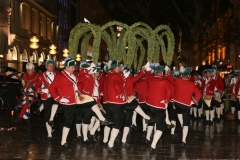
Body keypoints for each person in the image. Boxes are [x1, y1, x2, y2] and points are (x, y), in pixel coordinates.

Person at [49, 57, 78, 151]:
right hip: (67, 102)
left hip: (74, 101)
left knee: (70, 122)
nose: (74, 69)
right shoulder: (60, 77)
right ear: (67, 67)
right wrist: (59, 98)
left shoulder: (73, 75)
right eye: (72, 67)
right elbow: (51, 88)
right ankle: (63, 142)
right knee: (68, 122)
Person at [3, 62, 39, 136]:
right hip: (25, 95)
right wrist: (3, 72)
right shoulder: (23, 75)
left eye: (31, 69)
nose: (29, 71)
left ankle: (19, 116)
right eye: (28, 70)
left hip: (33, 94)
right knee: (26, 113)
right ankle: (30, 129)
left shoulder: (38, 76)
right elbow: (13, 75)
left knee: (27, 101)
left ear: (33, 69)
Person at [172, 66, 201, 147]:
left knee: (179, 111)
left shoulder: (177, 81)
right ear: (188, 76)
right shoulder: (191, 84)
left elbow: (170, 78)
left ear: (181, 76)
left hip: (177, 103)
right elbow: (198, 94)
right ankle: (183, 140)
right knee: (186, 124)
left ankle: (181, 123)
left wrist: (167, 71)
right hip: (186, 105)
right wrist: (193, 102)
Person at [145, 64, 172, 153]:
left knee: (151, 122)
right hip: (159, 107)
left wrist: (148, 69)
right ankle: (153, 145)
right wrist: (166, 101)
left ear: (155, 72)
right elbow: (169, 92)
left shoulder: (150, 79)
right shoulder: (164, 81)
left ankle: (147, 138)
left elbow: (148, 74)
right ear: (161, 73)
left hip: (149, 105)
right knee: (160, 127)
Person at [34, 59, 60, 142]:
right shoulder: (41, 76)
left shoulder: (57, 74)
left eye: (52, 66)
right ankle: (49, 134)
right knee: (47, 114)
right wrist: (43, 91)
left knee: (55, 105)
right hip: (46, 96)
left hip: (55, 95)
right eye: (49, 65)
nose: (51, 67)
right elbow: (36, 87)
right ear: (46, 67)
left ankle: (51, 120)